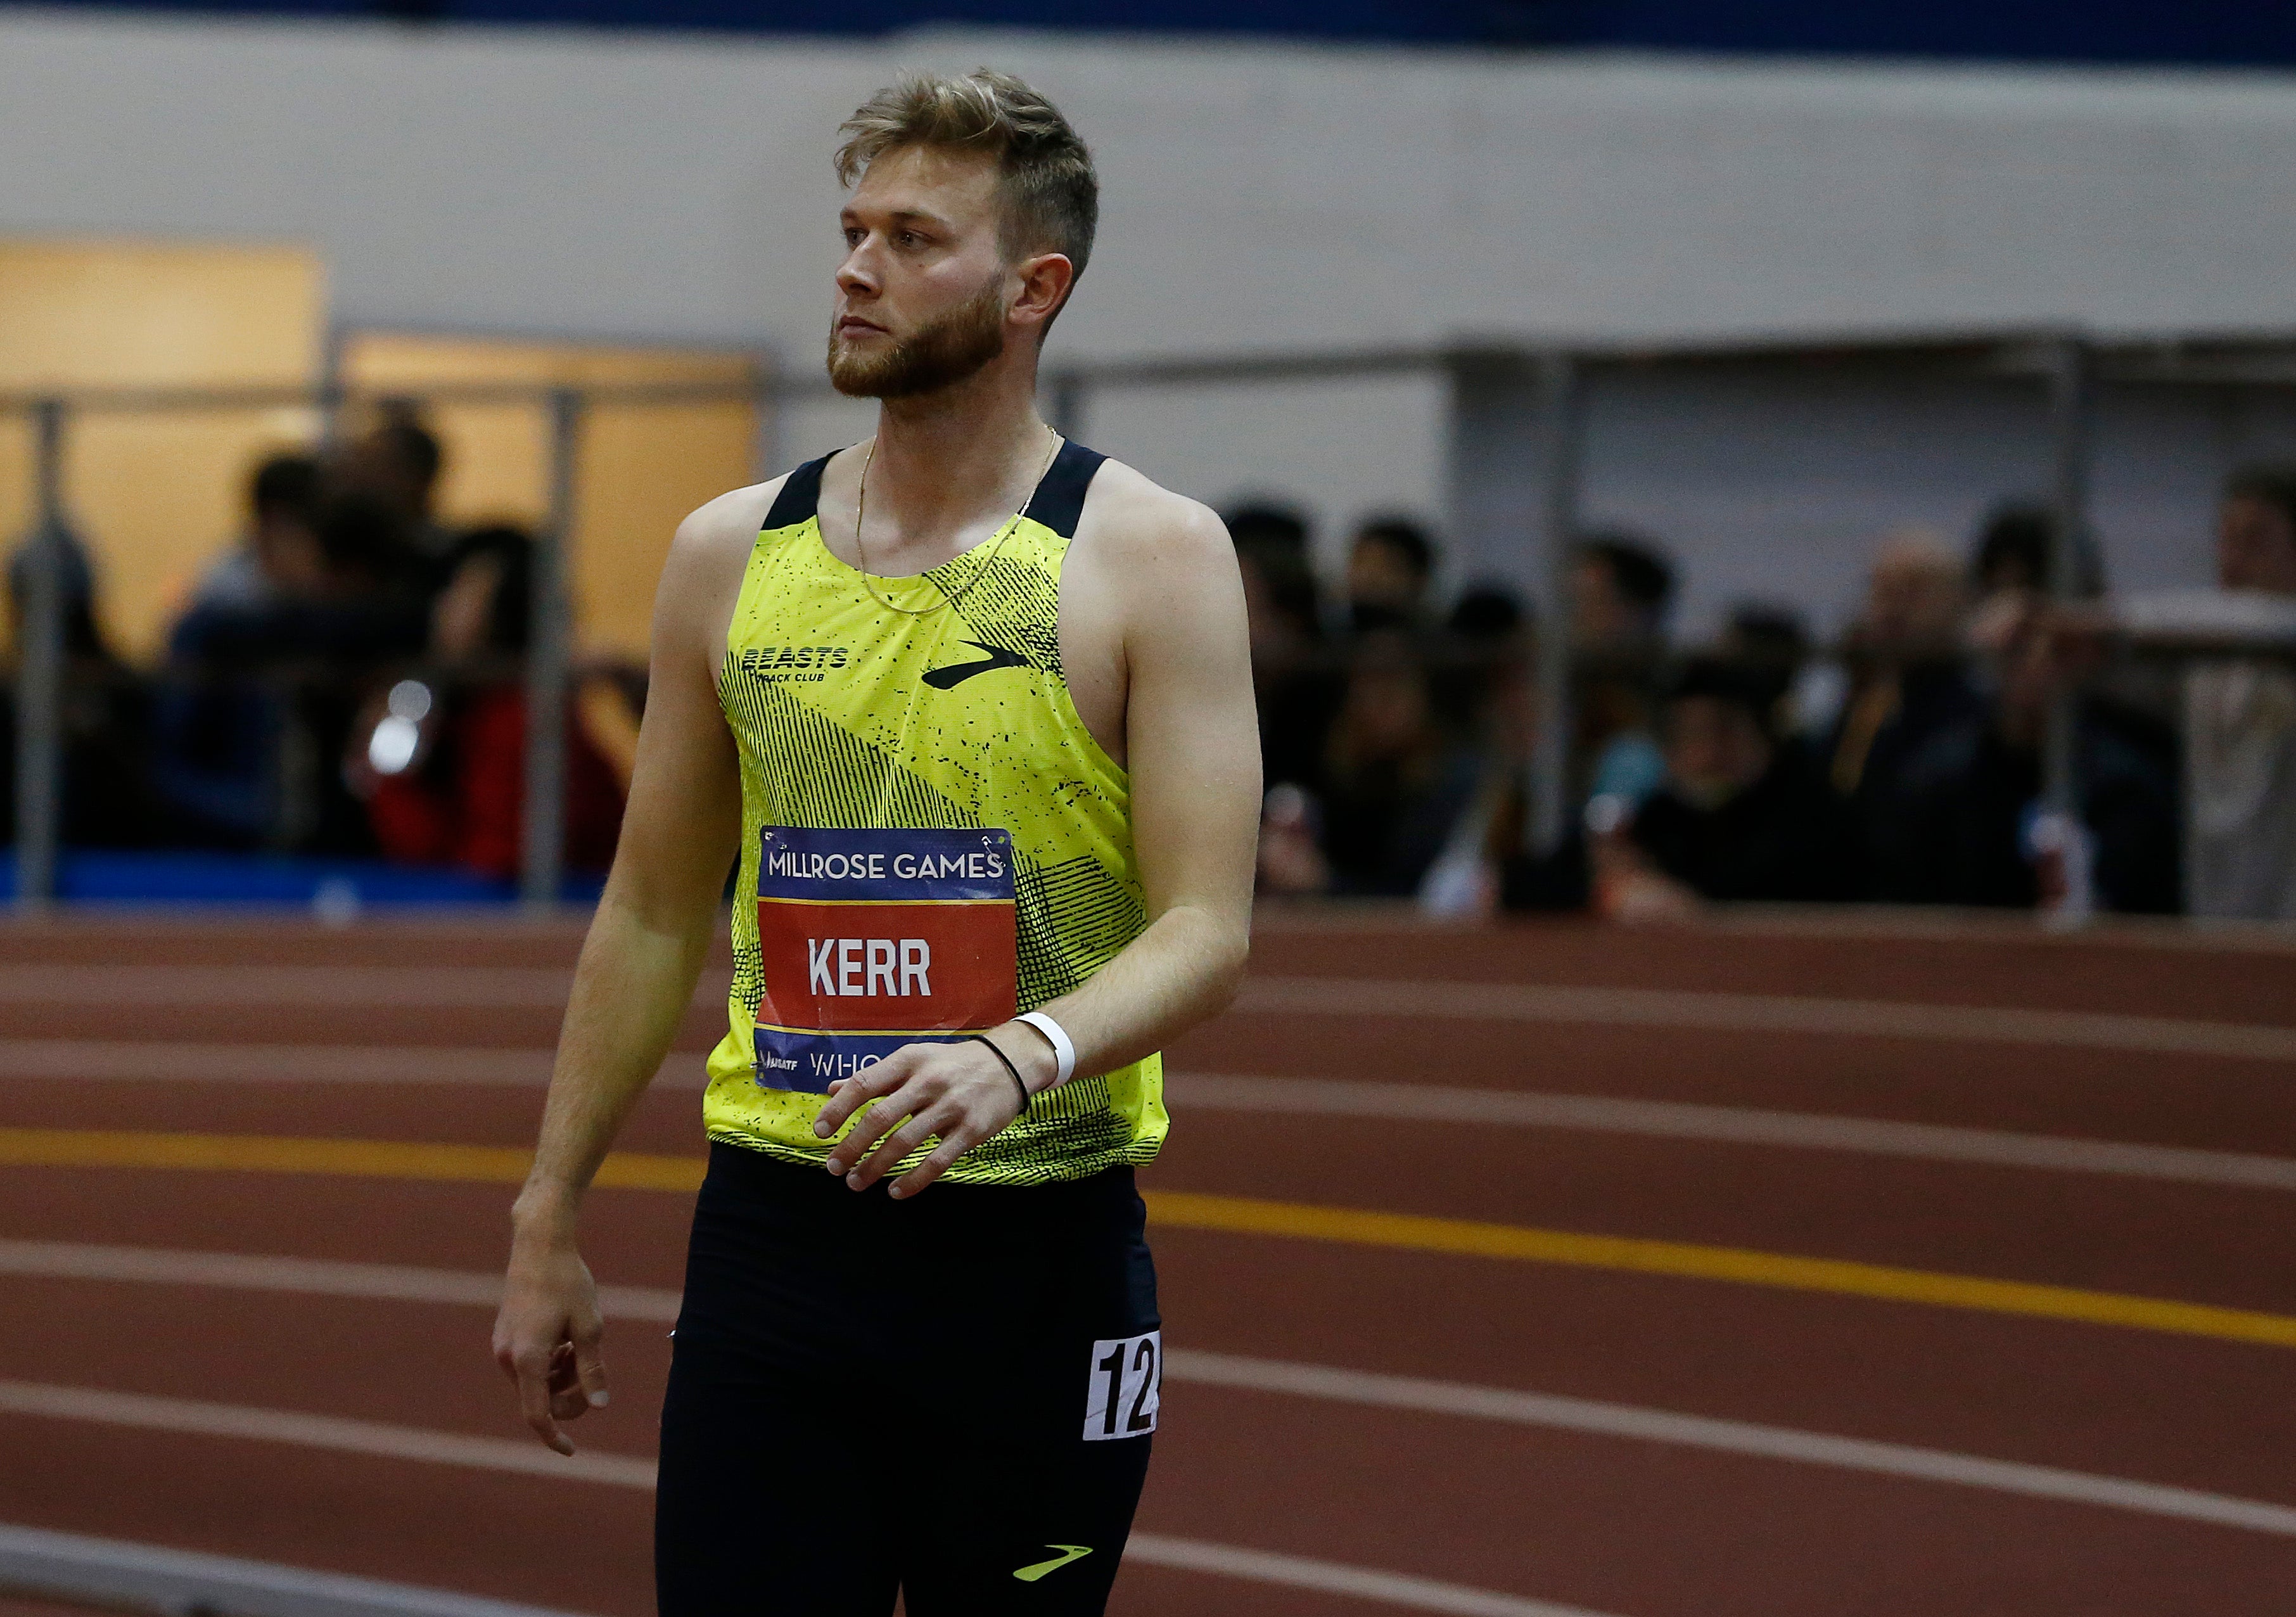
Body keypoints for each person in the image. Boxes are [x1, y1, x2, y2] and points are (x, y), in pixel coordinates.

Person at [490, 70, 1259, 1617]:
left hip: (1037, 1259)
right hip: (778, 1242)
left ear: (1032, 288)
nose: (855, 266)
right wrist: (545, 1209)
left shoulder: (1151, 557)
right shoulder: (729, 554)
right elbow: (649, 909)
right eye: (852, 230)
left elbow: (1206, 930)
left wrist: (1019, 1050)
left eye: (913, 237)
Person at [350, 526, 627, 881]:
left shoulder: (521, 722)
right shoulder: (477, 710)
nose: (443, 609)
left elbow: (493, 872)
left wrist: (387, 781)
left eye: (460, 593)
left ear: (505, 614)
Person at [1594, 655, 1856, 919]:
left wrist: (1686, 905)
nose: (1707, 755)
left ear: (1762, 735)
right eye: (1688, 736)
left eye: (1724, 732)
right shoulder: (1662, 818)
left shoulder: (1812, 820)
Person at [1344, 514, 1435, 632]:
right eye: (1361, 563)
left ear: (1419, 578)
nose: (1369, 577)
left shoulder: (1445, 645)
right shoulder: (1333, 639)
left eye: (1383, 566)